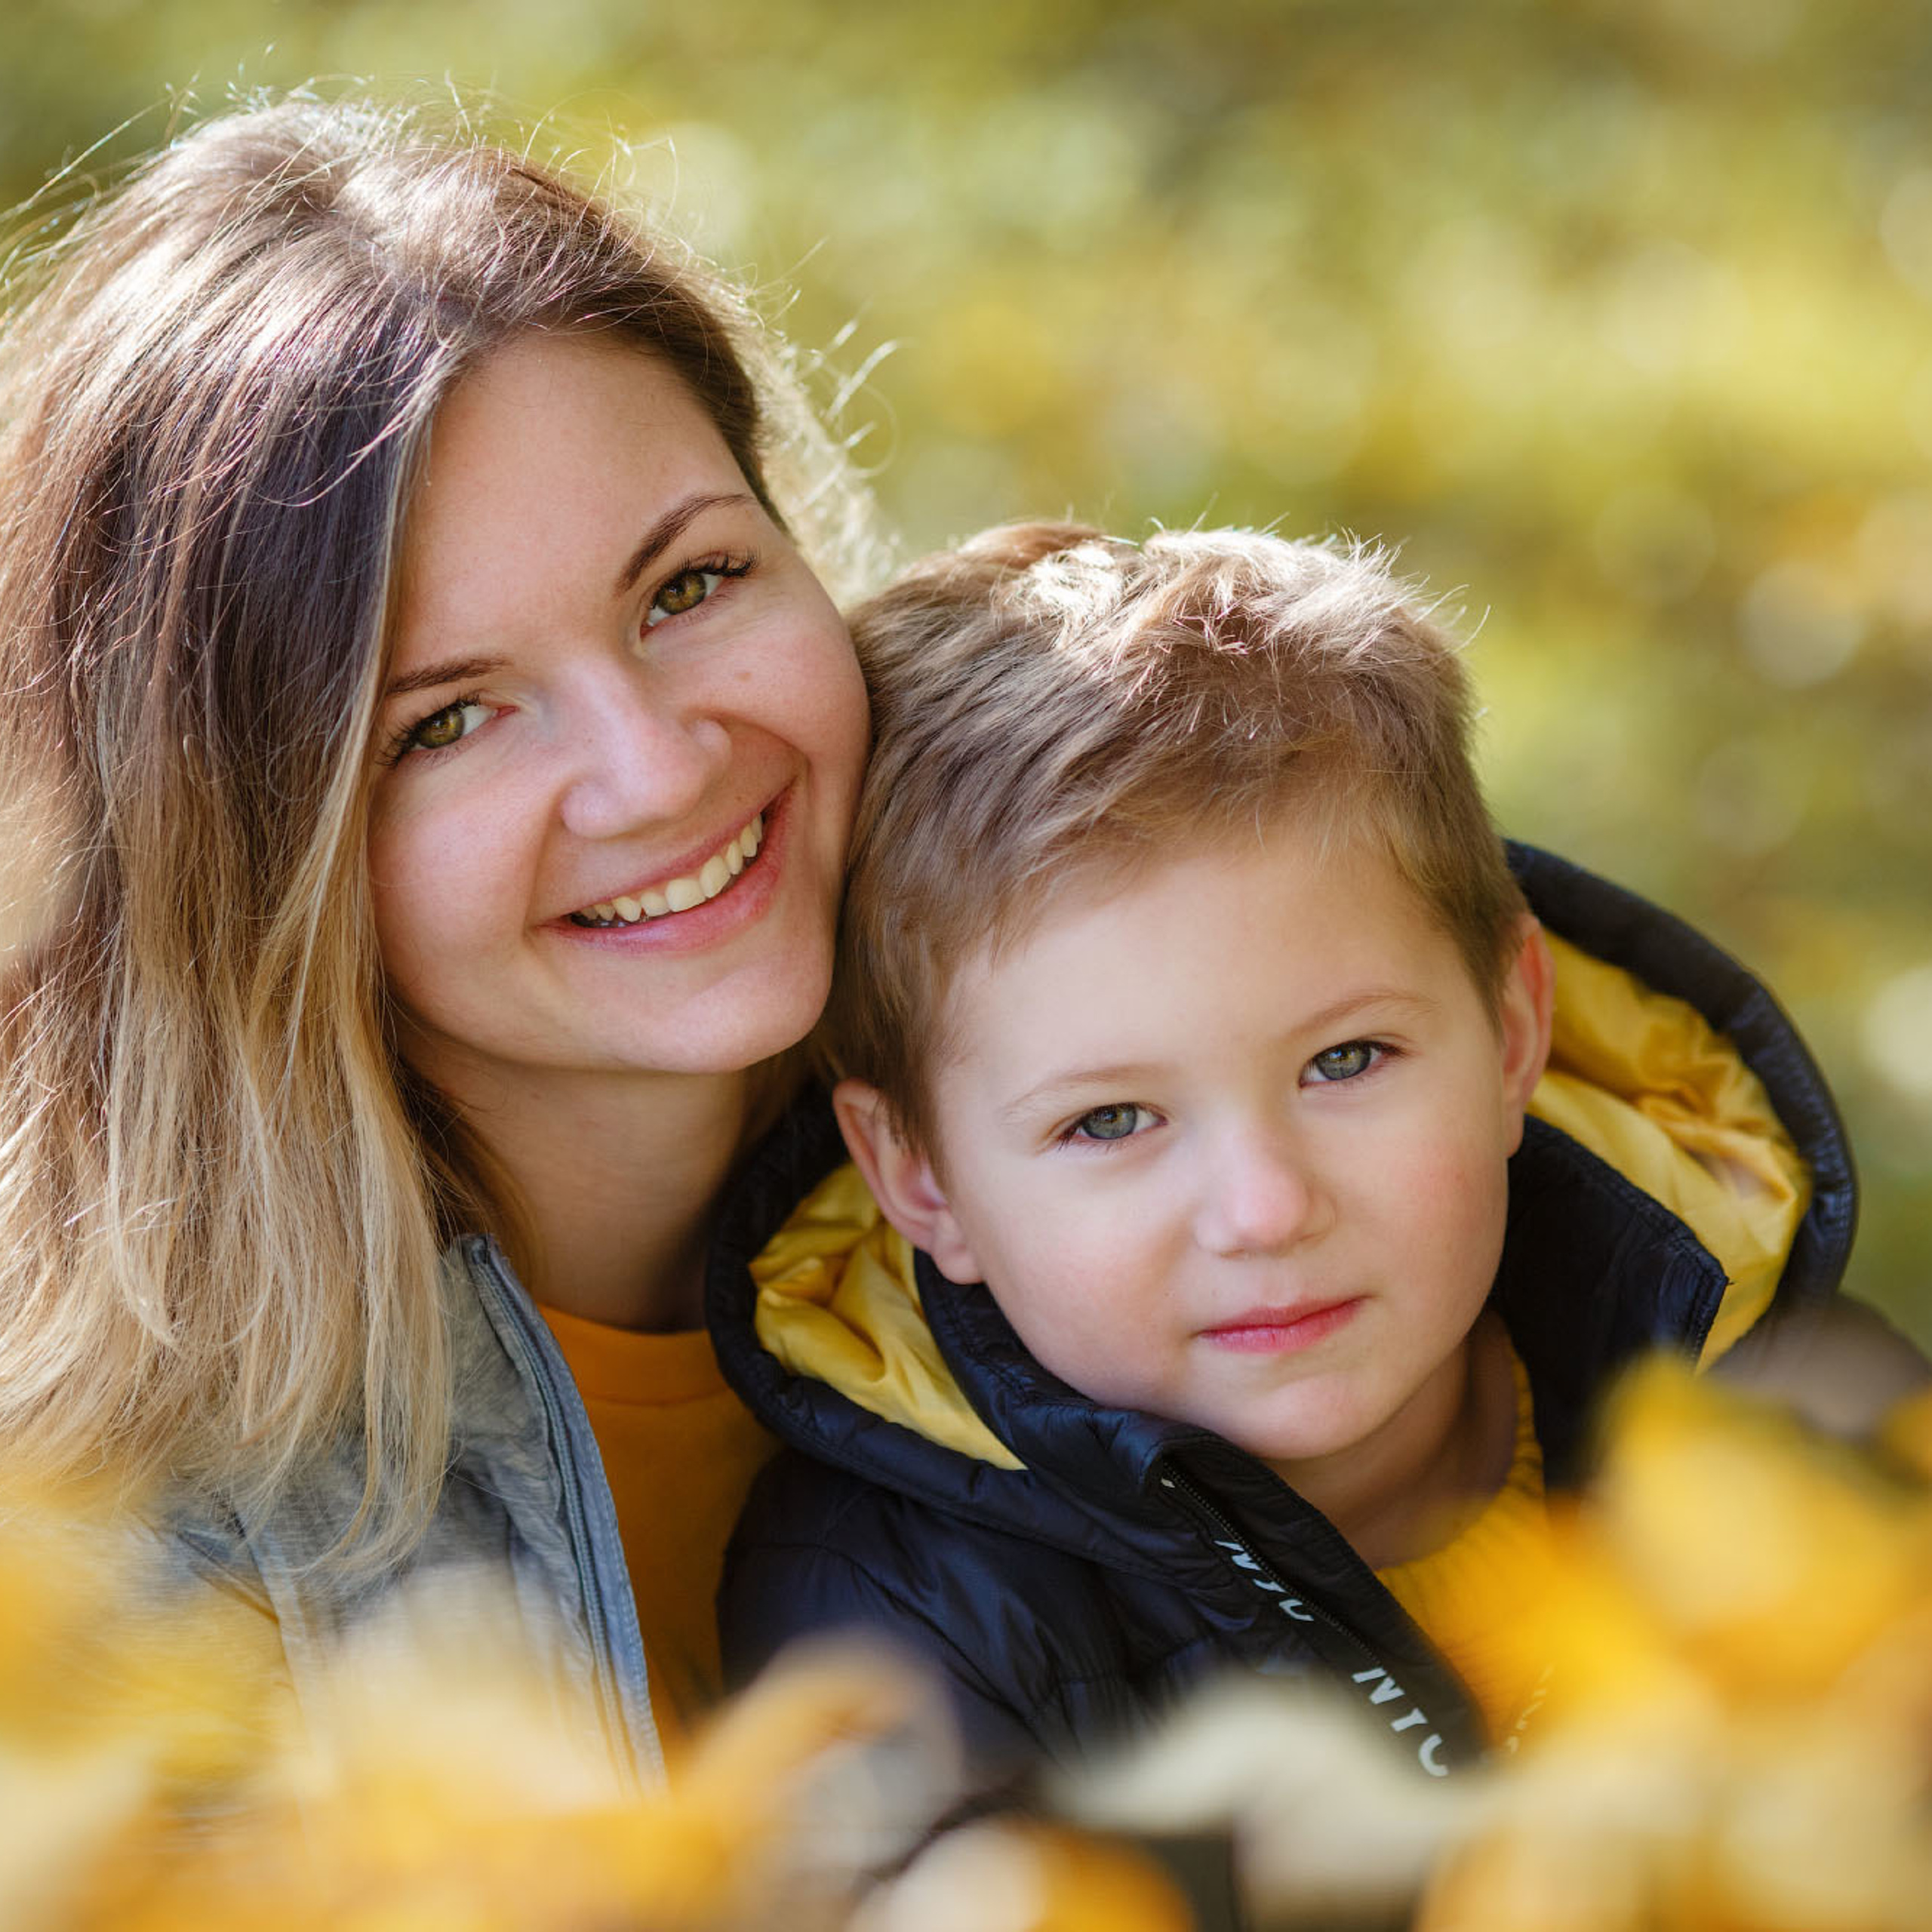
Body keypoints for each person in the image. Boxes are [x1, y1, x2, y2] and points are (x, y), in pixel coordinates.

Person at [711, 520, 1924, 1790]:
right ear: (921, 1179)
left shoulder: (1791, 1420)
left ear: (1513, 1028)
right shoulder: (889, 1624)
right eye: (1111, 1122)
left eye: (1345, 1062)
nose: (1265, 1209)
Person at [0, 93, 885, 1782]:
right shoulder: (110, 1567)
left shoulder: (1155, 1117)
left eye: (687, 586)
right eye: (450, 720)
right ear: (240, 851)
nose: (654, 768)